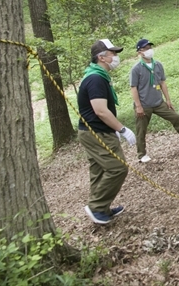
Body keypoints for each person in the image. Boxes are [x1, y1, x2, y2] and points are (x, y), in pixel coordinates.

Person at [78, 39, 135, 225]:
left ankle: (101, 208)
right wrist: (122, 129)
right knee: (117, 168)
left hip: (94, 131)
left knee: (99, 170)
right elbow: (100, 110)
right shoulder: (95, 79)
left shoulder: (97, 75)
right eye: (113, 53)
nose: (116, 57)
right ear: (101, 57)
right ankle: (96, 207)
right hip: (96, 132)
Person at [129, 39, 179, 163]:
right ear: (140, 52)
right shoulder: (136, 68)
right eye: (145, 49)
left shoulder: (158, 65)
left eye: (149, 47)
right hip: (144, 104)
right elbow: (133, 88)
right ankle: (142, 155)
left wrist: (168, 99)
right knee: (141, 130)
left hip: (158, 102)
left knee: (176, 117)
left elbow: (162, 82)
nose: (149, 50)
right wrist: (138, 106)